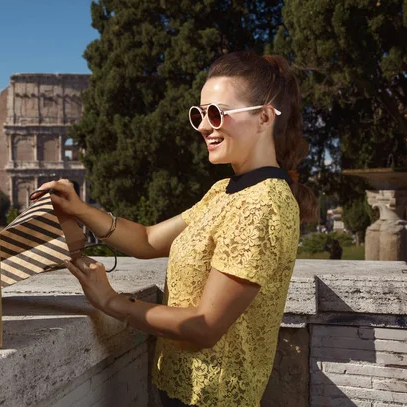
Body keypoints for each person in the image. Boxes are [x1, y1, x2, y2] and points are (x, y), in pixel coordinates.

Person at [36, 50, 317, 407]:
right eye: (199, 114)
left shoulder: (263, 206)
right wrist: (80, 209)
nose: (203, 125)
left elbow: (204, 326)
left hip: (213, 398)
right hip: (181, 391)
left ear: (263, 117)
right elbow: (148, 239)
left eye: (217, 113)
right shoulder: (224, 191)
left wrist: (112, 301)